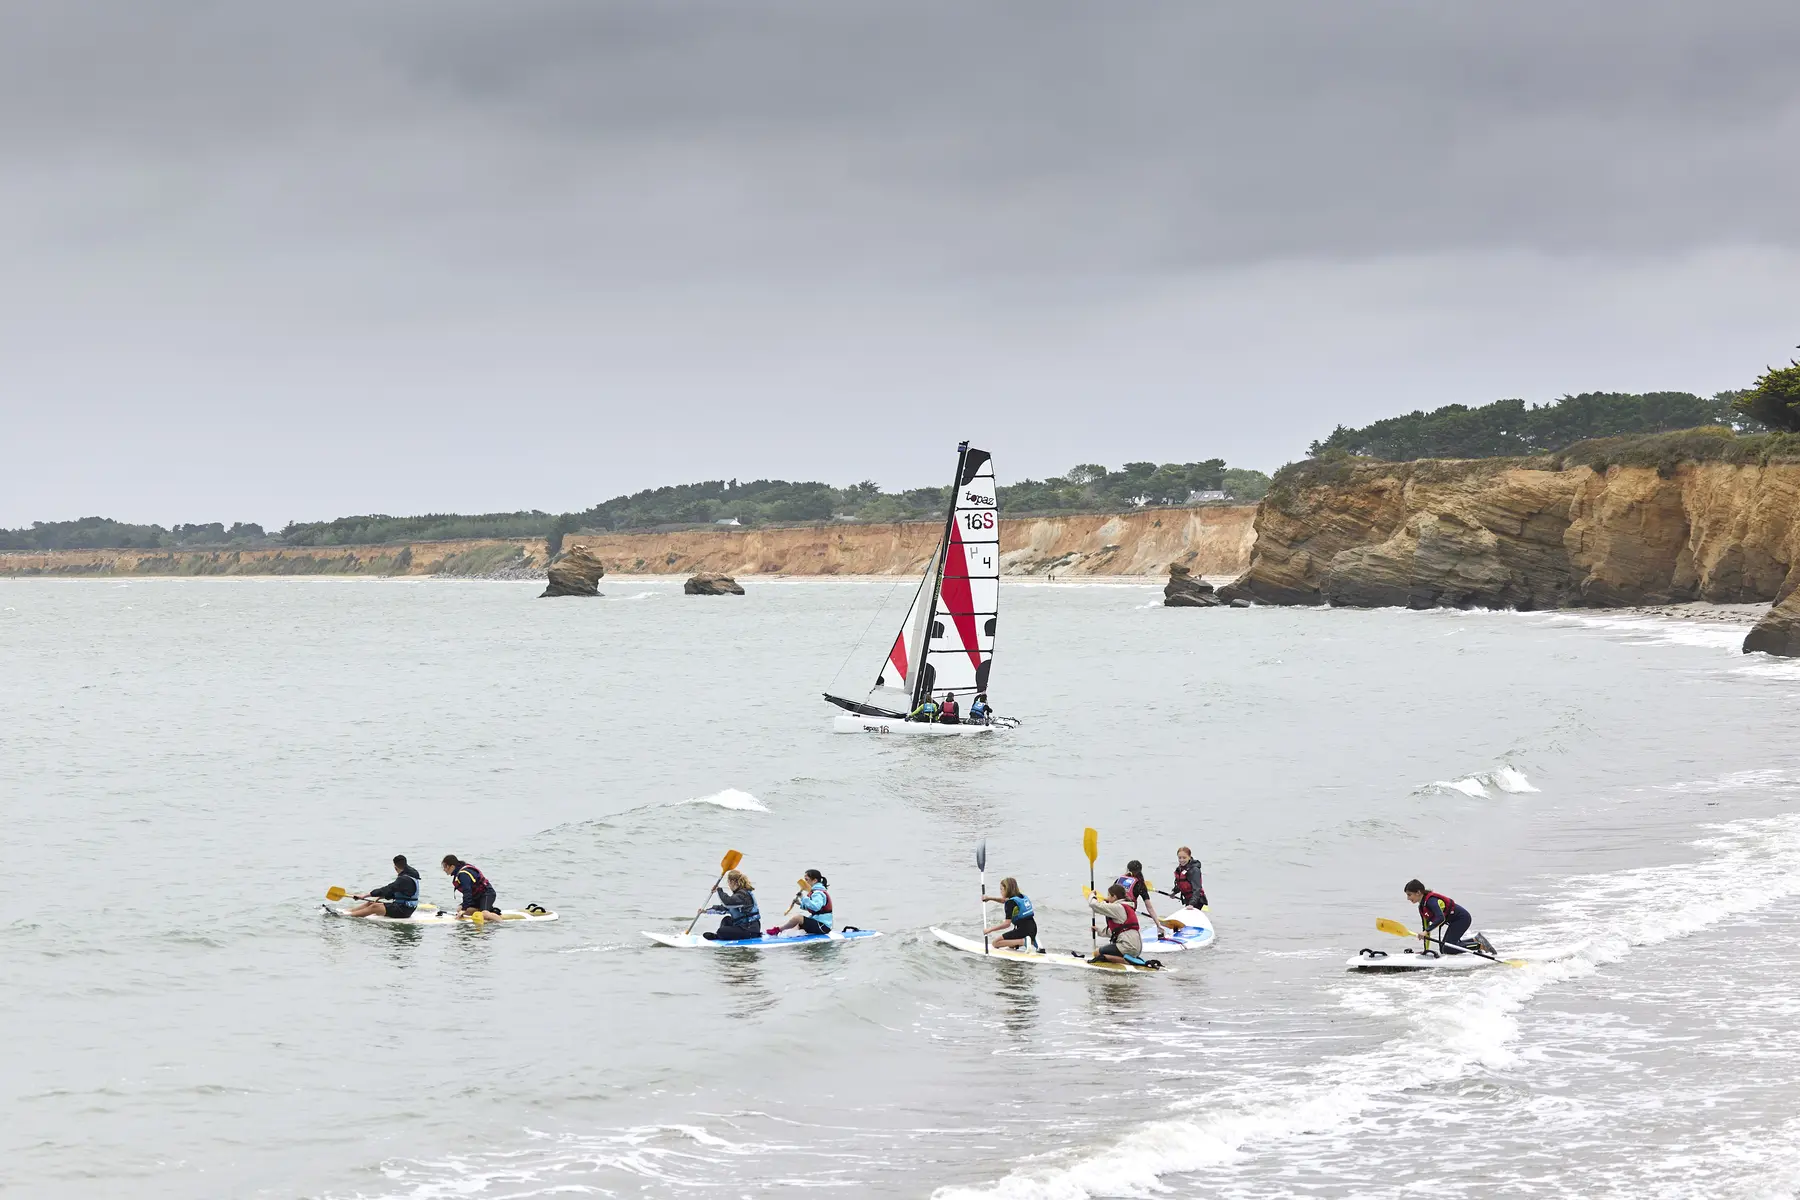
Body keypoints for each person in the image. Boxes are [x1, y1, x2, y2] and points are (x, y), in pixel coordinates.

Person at [1403, 879, 1492, 955]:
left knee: (1447, 949)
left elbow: (1440, 918)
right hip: (1454, 921)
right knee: (1443, 948)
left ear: (1418, 892)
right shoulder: (1422, 907)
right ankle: (1475, 939)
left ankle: (1479, 945)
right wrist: (1425, 951)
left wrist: (1425, 931)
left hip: (1462, 919)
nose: (1408, 898)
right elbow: (1426, 930)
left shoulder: (1431, 901)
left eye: (1409, 894)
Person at [1088, 881, 1147, 965]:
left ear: (1114, 897)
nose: (1107, 898)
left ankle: (1125, 961)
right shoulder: (1125, 907)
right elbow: (1116, 932)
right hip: (1136, 947)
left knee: (1097, 953)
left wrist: (1092, 895)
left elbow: (1094, 905)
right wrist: (1098, 930)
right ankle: (1125, 959)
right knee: (1102, 951)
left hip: (1128, 946)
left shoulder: (1117, 907)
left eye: (1109, 895)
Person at [345, 855, 422, 918]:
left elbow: (388, 889)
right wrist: (382, 897)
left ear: (395, 868)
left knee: (375, 907)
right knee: (370, 903)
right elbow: (396, 892)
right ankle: (348, 912)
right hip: (404, 907)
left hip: (404, 910)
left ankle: (348, 916)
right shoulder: (410, 876)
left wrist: (364, 896)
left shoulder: (404, 879)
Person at [768, 869, 833, 937]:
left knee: (797, 918)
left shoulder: (818, 893)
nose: (805, 882)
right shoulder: (816, 892)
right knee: (796, 924)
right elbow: (814, 908)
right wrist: (800, 903)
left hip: (823, 926)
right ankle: (785, 935)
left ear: (815, 880)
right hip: (819, 924)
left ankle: (778, 930)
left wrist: (803, 897)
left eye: (807, 880)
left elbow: (816, 907)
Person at [700, 869, 762, 941]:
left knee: (721, 931)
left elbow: (727, 903)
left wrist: (719, 890)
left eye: (728, 882)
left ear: (732, 882)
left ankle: (720, 936)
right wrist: (705, 911)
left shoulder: (743, 895)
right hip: (743, 926)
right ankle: (721, 936)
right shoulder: (738, 895)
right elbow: (724, 909)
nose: (728, 885)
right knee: (726, 920)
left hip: (750, 929)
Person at [981, 877, 1039, 950]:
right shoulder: (1020, 896)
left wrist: (990, 930)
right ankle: (1032, 941)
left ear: (1007, 889)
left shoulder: (1010, 903)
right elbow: (1004, 900)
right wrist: (989, 898)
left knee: (996, 943)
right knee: (1010, 944)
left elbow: (1007, 924)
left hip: (1023, 930)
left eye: (1001, 889)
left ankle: (1023, 941)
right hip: (1033, 929)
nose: (1000, 892)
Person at [1115, 860, 1167, 937]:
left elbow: (1110, 896)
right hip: (1127, 912)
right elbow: (1149, 907)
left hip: (1114, 910)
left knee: (1117, 933)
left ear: (1127, 869)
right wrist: (1158, 925)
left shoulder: (1119, 880)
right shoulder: (1140, 884)